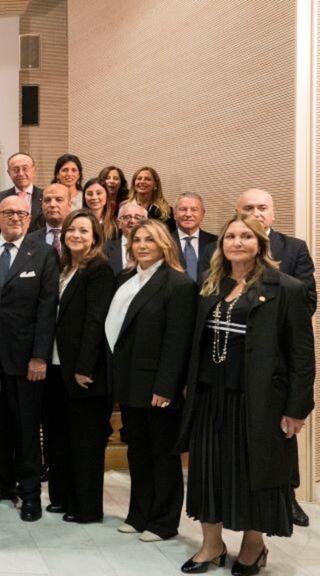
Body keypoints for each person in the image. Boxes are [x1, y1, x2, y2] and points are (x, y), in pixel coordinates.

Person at [177, 214, 314, 574]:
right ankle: (211, 545)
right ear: (221, 245)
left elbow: (302, 354)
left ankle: (253, 546)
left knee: (254, 475)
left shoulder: (287, 289)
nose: (237, 242)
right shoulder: (210, 285)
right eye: (230, 237)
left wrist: (296, 409)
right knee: (208, 474)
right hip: (210, 399)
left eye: (245, 237)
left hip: (257, 403)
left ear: (260, 244)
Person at [105, 220, 196, 542]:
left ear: (164, 245)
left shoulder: (178, 284)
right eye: (137, 240)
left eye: (149, 240)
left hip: (158, 386)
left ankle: (163, 522)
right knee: (137, 452)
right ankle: (138, 513)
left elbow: (177, 342)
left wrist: (166, 387)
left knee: (162, 455)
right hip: (129, 381)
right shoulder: (127, 279)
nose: (142, 245)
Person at [235, 188, 316, 528]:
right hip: (236, 358)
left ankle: (288, 498)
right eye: (248, 208)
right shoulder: (222, 249)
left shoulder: (293, 248)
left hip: (277, 356)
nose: (255, 213)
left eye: (262, 207)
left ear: (273, 212)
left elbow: (307, 298)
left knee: (280, 434)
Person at [0, 195, 58, 522]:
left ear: (29, 219)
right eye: (9, 212)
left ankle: (30, 493)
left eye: (21, 213)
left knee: (27, 428)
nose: (15, 217)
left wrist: (40, 356)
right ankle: (2, 482)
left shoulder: (42, 253)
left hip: (26, 359)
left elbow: (47, 307)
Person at [44, 209, 115, 523]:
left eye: (84, 231)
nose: (76, 235)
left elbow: (96, 321)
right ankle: (62, 497)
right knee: (58, 436)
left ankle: (86, 508)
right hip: (56, 366)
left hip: (83, 371)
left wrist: (85, 366)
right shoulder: (63, 268)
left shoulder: (98, 269)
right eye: (71, 230)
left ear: (95, 237)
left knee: (84, 441)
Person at [172, 192, 217, 283]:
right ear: (174, 214)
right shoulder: (164, 241)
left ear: (202, 214)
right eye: (183, 209)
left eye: (194, 210)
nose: (188, 214)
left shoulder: (216, 242)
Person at [0, 153, 43, 233]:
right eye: (15, 170)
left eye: (25, 168)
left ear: (33, 170)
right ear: (9, 173)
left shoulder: (46, 197)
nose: (21, 173)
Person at [27, 183, 71, 256]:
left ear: (69, 205)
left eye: (59, 200)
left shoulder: (78, 237)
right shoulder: (29, 240)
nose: (52, 204)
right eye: (47, 200)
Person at [127, 166, 175, 231]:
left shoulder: (166, 210)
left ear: (155, 184)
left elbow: (170, 236)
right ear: (134, 183)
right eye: (139, 178)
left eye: (147, 179)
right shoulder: (125, 208)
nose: (142, 181)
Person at [106, 201, 148, 274]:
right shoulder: (105, 249)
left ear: (146, 222)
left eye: (137, 217)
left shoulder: (154, 248)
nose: (132, 221)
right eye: (126, 217)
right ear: (119, 223)